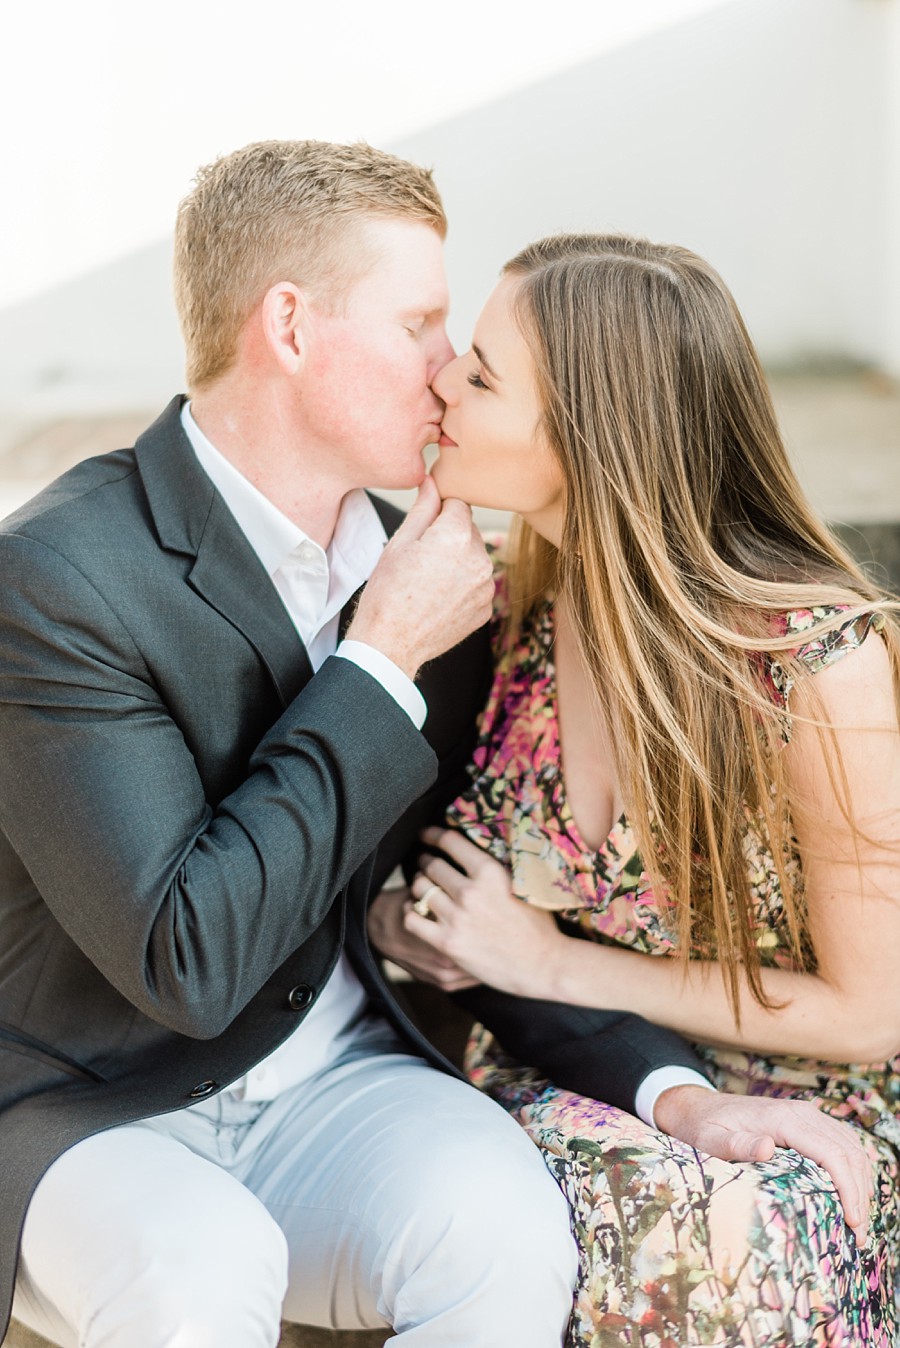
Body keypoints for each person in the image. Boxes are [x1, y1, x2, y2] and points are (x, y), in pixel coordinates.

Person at [0, 140, 582, 1348]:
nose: (452, 367)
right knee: (203, 1267)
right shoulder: (56, 579)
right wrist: (377, 664)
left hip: (339, 1082)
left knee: (510, 1230)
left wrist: (674, 1088)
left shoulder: (433, 571)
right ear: (291, 326)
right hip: (90, 1104)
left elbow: (470, 886)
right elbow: (186, 959)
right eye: (420, 320)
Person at [371, 234, 900, 1346]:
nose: (440, 382)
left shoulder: (812, 664)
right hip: (573, 1070)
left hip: (813, 1092)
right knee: (657, 1212)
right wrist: (410, 923)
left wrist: (549, 956)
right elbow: (427, 882)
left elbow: (870, 1009)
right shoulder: (507, 607)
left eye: (480, 371)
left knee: (755, 1221)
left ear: (588, 431)